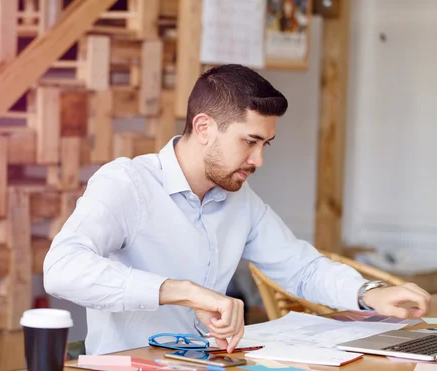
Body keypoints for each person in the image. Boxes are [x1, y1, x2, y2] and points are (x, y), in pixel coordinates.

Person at [43, 64, 432, 355]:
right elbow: (61, 270)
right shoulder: (127, 183)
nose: (259, 160)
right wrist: (182, 292)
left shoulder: (239, 200)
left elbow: (301, 268)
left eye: (266, 144)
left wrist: (369, 293)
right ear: (204, 127)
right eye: (250, 141)